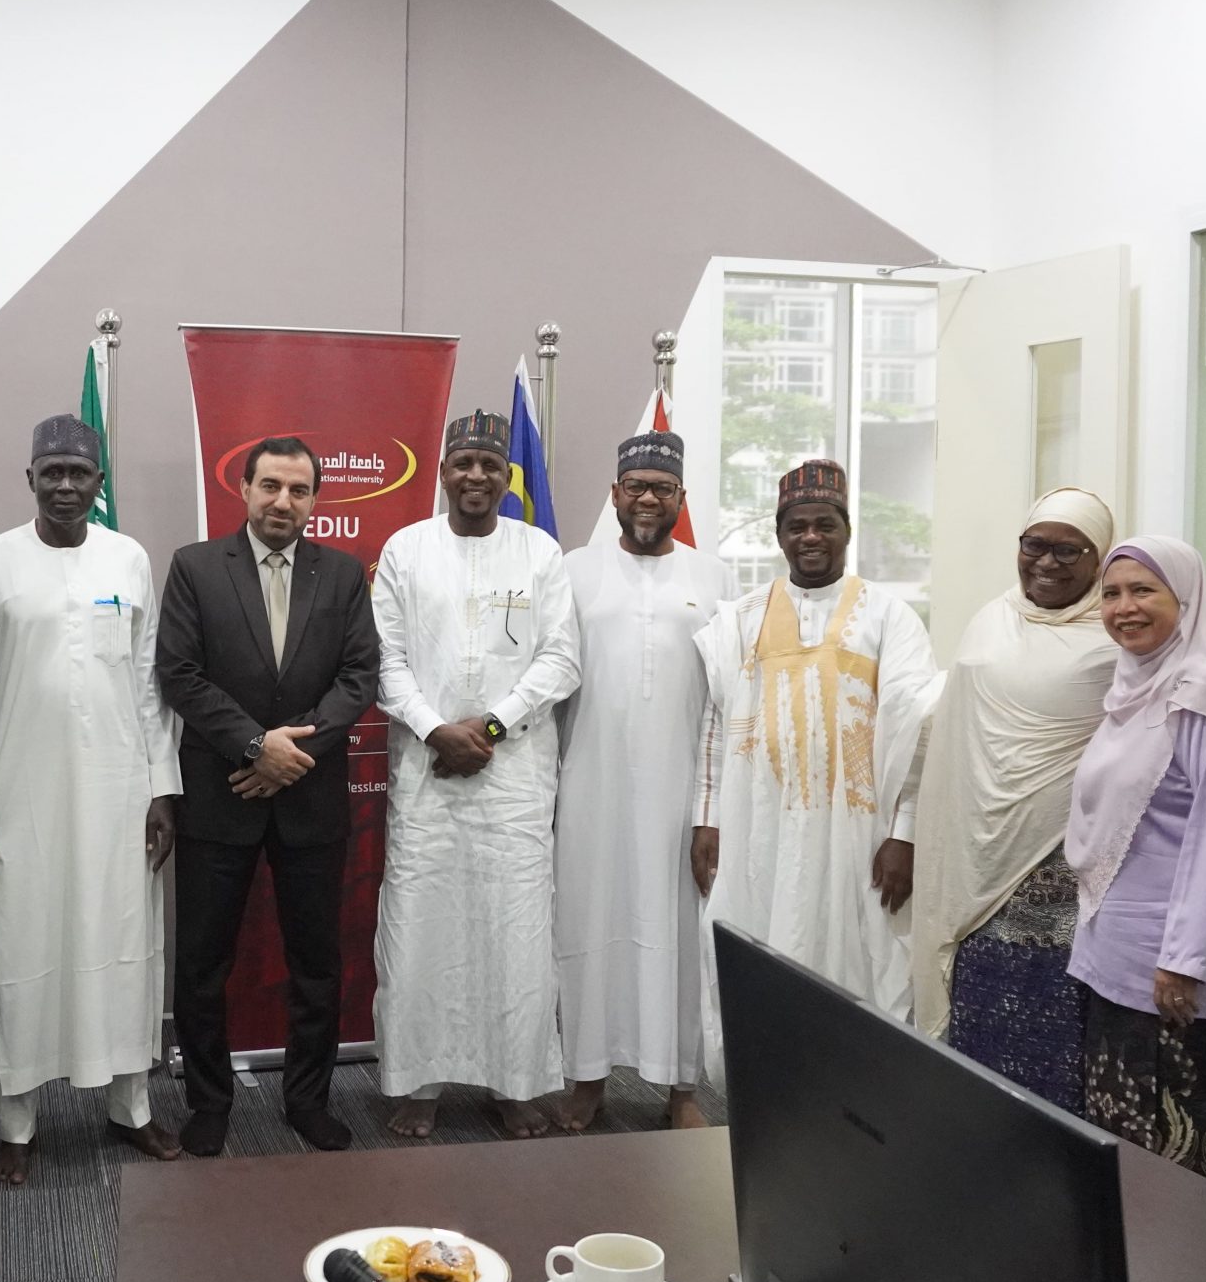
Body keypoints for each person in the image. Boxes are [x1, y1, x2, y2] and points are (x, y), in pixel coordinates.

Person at [909, 491, 1206, 1112]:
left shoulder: (1122, 638)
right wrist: (907, 827)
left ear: (1096, 557)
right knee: (983, 1023)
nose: (1048, 562)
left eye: (1070, 550)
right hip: (977, 860)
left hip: (1068, 866)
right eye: (1035, 545)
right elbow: (945, 726)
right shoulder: (991, 619)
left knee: (1067, 1045)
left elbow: (1192, 679)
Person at [0, 415, 183, 1185]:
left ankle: (133, 1109)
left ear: (99, 482)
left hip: (121, 788)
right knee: (25, 949)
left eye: (78, 473)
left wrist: (163, 787)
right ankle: (15, 1125)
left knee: (125, 946)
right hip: (20, 789)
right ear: (29, 478)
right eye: (50, 471)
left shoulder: (129, 557)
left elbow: (149, 683)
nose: (64, 485)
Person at [156, 436, 382, 1157]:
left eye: (299, 489)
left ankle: (308, 1101)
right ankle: (209, 1101)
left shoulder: (342, 574)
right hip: (220, 794)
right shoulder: (195, 566)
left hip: (310, 799)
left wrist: (291, 756)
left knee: (317, 964)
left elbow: (360, 675)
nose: (284, 501)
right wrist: (257, 746)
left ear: (315, 498)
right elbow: (179, 674)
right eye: (271, 486)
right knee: (203, 964)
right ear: (245, 489)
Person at [369, 409, 580, 1140]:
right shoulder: (406, 549)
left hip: (513, 778)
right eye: (464, 462)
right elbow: (385, 658)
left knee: (515, 931)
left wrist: (489, 727)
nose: (477, 475)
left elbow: (561, 657)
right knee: (420, 928)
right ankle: (417, 1082)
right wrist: (436, 729)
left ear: (507, 476)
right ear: (443, 471)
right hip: (427, 774)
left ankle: (514, 1085)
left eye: (490, 464)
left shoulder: (539, 551)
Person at [1066, 537, 1206, 1189]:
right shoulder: (1133, 690)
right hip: (1119, 960)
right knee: (1123, 1141)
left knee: (1185, 1156)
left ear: (1188, 601)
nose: (1125, 607)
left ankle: (1189, 1259)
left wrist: (1185, 960)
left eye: (1145, 590)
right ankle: (1130, 1255)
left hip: (1179, 977)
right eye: (1112, 593)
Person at [691, 459, 934, 1022]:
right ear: (778, 535)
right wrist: (707, 819)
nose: (811, 537)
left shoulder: (889, 617)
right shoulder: (741, 618)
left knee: (855, 967)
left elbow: (917, 734)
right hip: (759, 826)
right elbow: (715, 725)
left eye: (825, 524)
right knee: (756, 952)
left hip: (856, 836)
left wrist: (905, 835)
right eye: (797, 526)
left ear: (847, 530)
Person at [550, 432, 724, 1133]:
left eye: (663, 487)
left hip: (680, 791)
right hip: (589, 781)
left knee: (678, 932)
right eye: (636, 486)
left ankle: (681, 1088)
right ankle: (587, 1075)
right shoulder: (573, 569)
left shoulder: (713, 577)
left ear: (681, 498)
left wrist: (713, 805)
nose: (649, 497)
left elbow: (726, 699)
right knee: (587, 922)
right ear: (615, 494)